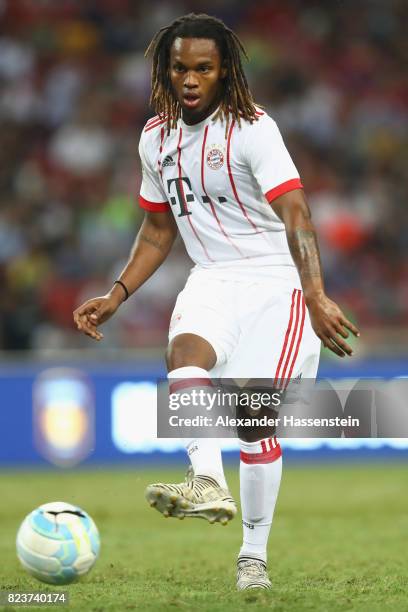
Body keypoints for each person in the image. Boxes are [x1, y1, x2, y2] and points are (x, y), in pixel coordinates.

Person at [73, 13, 359, 590]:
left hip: (276, 281)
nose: (190, 79)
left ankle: (252, 554)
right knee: (183, 355)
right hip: (212, 277)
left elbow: (297, 213)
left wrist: (316, 293)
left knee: (255, 424)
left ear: (224, 70)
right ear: (164, 69)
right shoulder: (155, 138)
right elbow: (157, 231)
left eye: (203, 67)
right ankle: (206, 478)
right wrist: (118, 293)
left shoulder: (255, 129)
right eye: (179, 67)